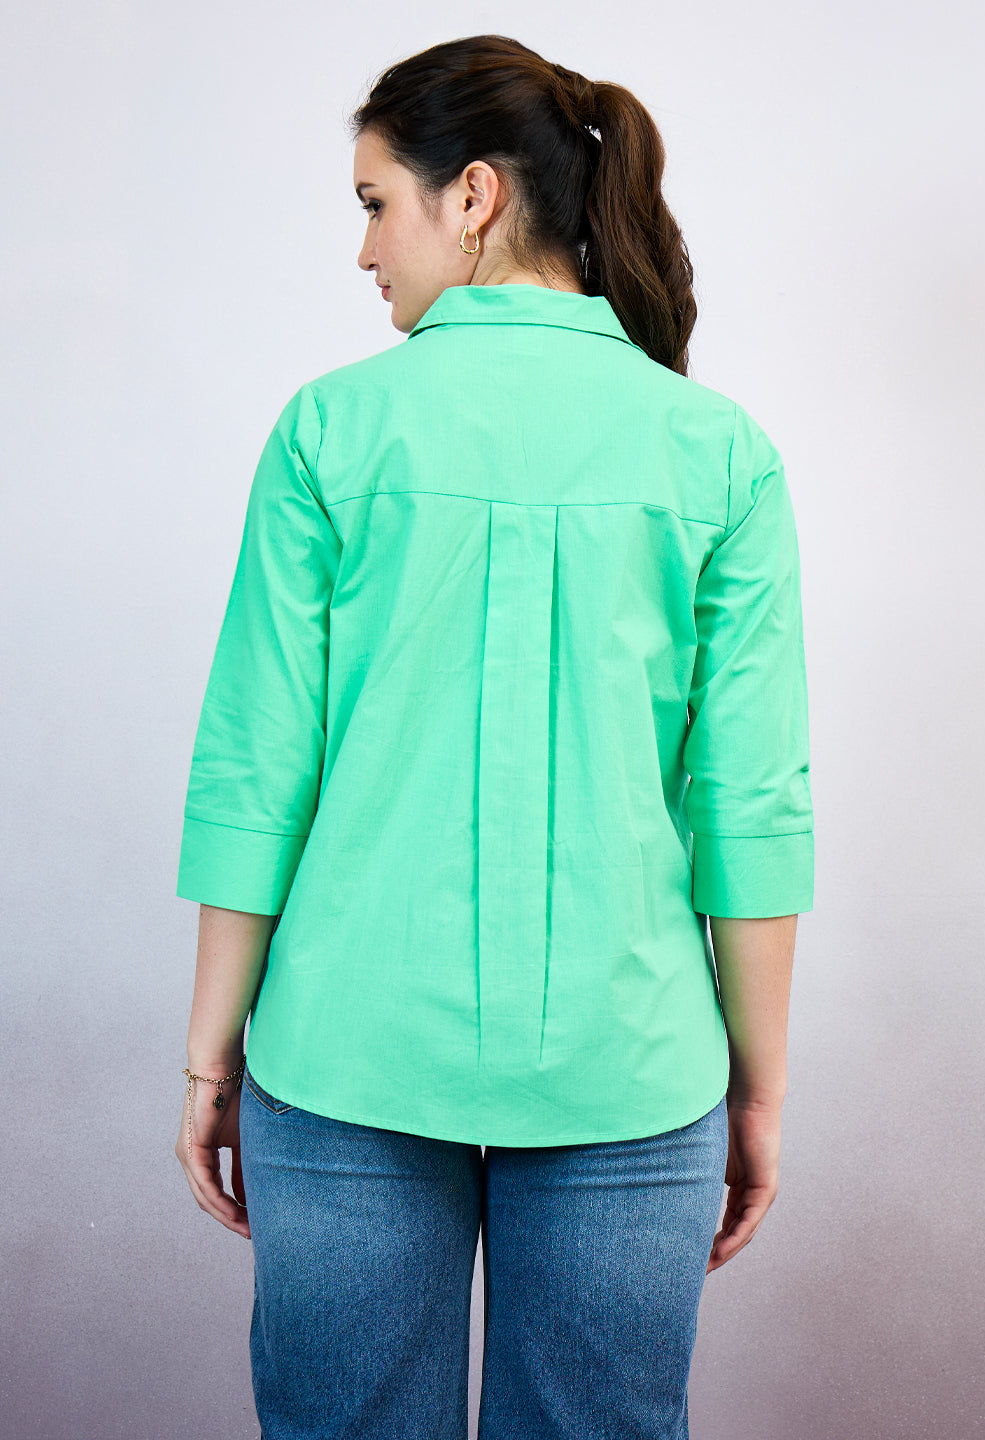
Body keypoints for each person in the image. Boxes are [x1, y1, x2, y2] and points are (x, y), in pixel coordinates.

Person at [174, 33, 814, 1440]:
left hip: (341, 1059)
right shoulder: (718, 452)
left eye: (373, 205)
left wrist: (212, 1059)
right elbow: (750, 807)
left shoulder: (331, 432)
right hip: (632, 1071)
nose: (363, 251)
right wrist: (759, 1090)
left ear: (470, 196)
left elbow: (258, 767)